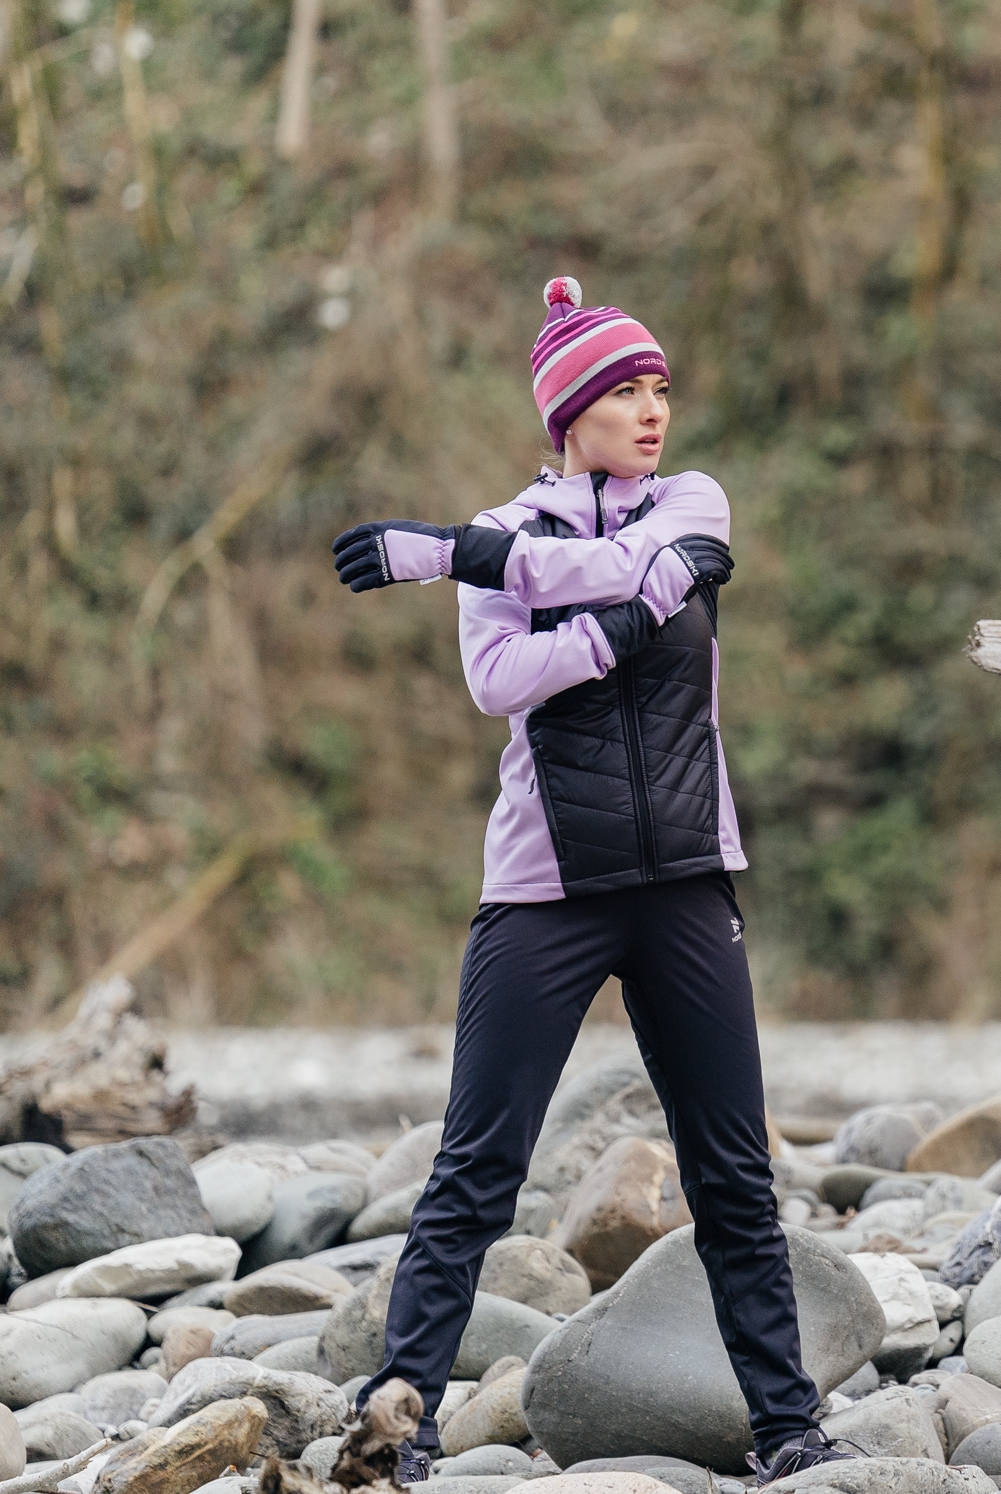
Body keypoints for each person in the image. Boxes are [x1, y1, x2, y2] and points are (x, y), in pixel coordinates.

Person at [326, 278, 858, 1484]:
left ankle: (787, 1425)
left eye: (661, 387)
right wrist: (604, 626)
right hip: (543, 886)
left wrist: (462, 557)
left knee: (731, 1169)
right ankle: (398, 1419)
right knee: (476, 1164)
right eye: (626, 391)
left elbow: (663, 565)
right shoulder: (507, 523)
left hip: (684, 878)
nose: (654, 409)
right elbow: (498, 681)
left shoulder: (694, 501)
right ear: (571, 413)